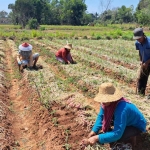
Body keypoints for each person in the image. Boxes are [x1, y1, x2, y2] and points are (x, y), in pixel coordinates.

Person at [81, 82, 147, 148]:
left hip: (136, 125)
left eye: (105, 99)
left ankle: (132, 140)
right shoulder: (106, 104)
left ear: (112, 98)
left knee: (118, 138)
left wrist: (96, 138)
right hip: (127, 121)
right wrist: (94, 131)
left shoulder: (121, 108)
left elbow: (117, 134)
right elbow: (101, 117)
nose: (103, 101)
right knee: (109, 133)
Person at [133, 28, 150, 96]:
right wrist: (141, 61)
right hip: (144, 62)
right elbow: (140, 52)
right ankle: (141, 94)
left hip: (148, 62)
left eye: (139, 38)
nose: (138, 40)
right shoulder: (137, 43)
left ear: (143, 35)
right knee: (142, 78)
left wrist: (147, 62)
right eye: (137, 39)